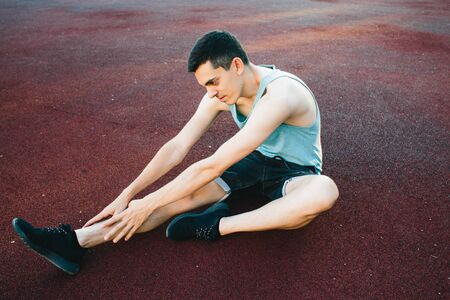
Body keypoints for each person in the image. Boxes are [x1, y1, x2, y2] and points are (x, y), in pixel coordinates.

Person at [12, 30, 339, 275]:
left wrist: (149, 201)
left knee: (323, 193)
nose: (211, 94)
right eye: (205, 87)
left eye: (214, 82)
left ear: (236, 65)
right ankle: (75, 242)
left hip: (296, 172)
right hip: (253, 162)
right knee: (176, 201)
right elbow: (178, 145)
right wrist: (131, 194)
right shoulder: (222, 96)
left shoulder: (282, 93)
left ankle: (217, 225)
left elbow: (214, 163)